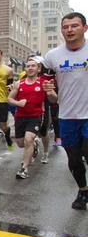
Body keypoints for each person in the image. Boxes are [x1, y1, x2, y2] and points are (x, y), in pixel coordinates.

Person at [42, 12, 88, 210]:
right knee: (74, 159)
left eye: (74, 26)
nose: (69, 30)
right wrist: (51, 94)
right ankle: (83, 191)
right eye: (65, 27)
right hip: (67, 115)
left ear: (84, 28)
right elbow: (52, 94)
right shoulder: (53, 57)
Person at [8, 58, 56, 179]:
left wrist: (50, 93)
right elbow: (9, 99)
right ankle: (34, 145)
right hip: (20, 116)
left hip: (35, 116)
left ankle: (24, 169)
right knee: (20, 143)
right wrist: (19, 103)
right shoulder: (19, 83)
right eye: (28, 66)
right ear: (25, 69)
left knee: (28, 139)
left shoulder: (43, 83)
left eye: (33, 66)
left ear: (38, 68)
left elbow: (54, 100)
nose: (30, 68)